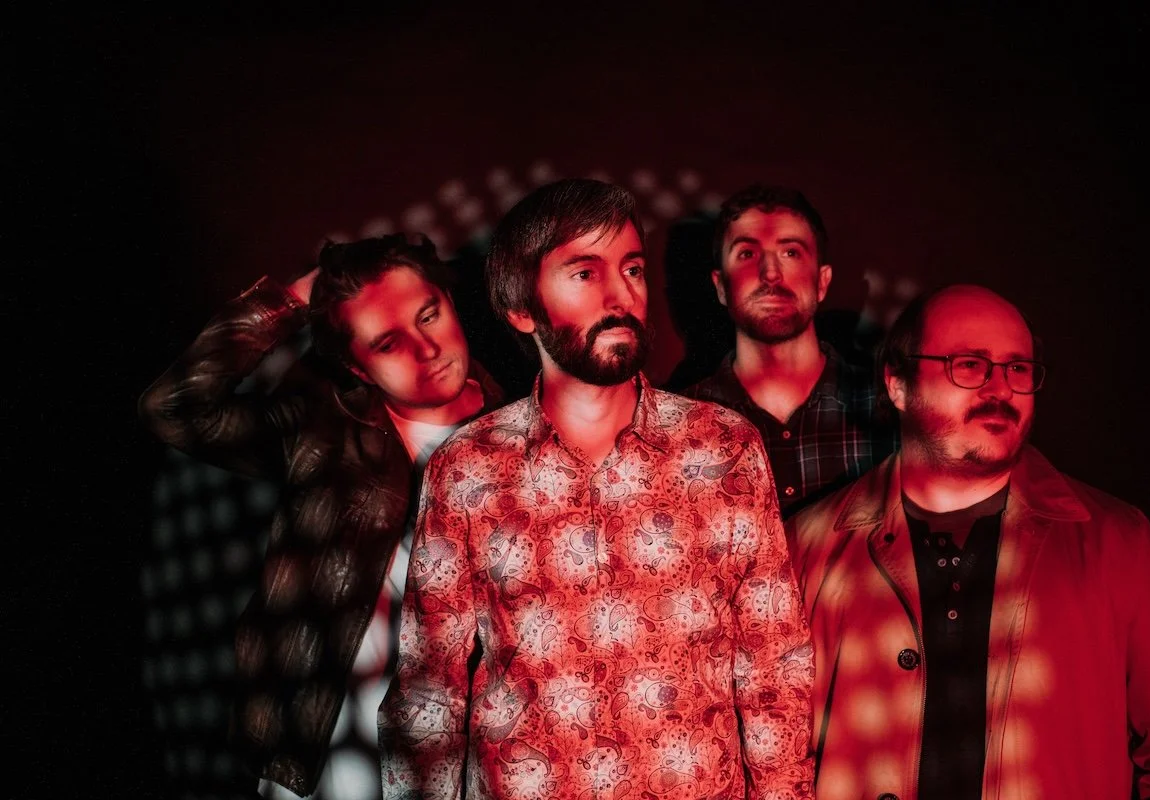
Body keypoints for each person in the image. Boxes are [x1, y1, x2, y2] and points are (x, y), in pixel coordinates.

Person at [378, 178, 816, 800]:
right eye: (585, 274)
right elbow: (430, 693)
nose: (620, 295)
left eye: (631, 269)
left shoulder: (722, 449)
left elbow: (774, 670)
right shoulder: (468, 469)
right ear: (521, 308)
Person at [787, 283, 1150, 799]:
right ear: (898, 384)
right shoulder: (804, 546)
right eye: (969, 364)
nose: (1000, 388)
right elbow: (767, 753)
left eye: (1018, 368)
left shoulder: (1118, 543)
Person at [139, 233, 507, 799]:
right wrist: (285, 302)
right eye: (388, 343)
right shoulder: (321, 433)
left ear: (450, 302)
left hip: (469, 744)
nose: (426, 350)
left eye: (429, 315)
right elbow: (174, 407)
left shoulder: (524, 429)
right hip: (334, 735)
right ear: (358, 368)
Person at [683, 185, 896, 520]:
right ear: (721, 286)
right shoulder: (679, 424)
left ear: (822, 282)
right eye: (747, 254)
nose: (770, 273)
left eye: (791, 253)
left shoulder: (888, 409)